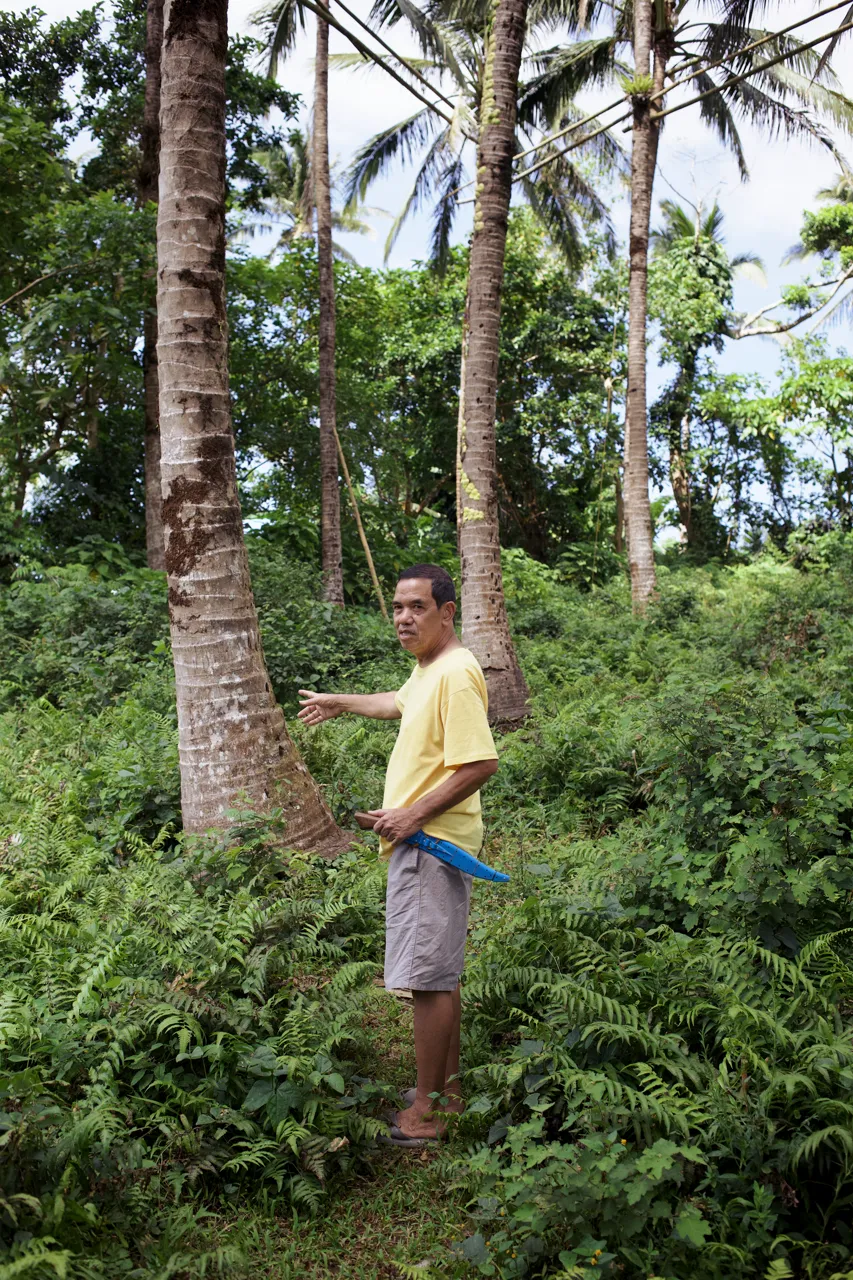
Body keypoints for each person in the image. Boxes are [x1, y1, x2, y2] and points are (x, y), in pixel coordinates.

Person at [297, 563, 499, 1144]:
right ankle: (448, 1093)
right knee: (439, 973)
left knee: (428, 979)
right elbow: (398, 702)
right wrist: (342, 701)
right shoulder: (432, 669)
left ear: (446, 612)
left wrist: (412, 815)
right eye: (397, 607)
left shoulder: (457, 675)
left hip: (429, 843)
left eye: (417, 607)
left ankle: (428, 1115)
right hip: (426, 841)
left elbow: (481, 762)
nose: (404, 618)